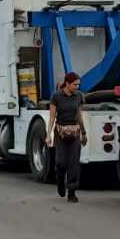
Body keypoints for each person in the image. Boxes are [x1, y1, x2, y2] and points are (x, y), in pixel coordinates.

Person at [46, 72, 87, 203]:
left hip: (75, 132)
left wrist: (84, 133)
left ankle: (72, 192)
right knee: (61, 162)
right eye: (75, 84)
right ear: (67, 83)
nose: (77, 87)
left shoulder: (79, 96)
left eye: (78, 84)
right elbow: (52, 117)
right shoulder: (56, 96)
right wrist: (49, 135)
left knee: (74, 163)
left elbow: (79, 116)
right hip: (60, 133)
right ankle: (60, 182)